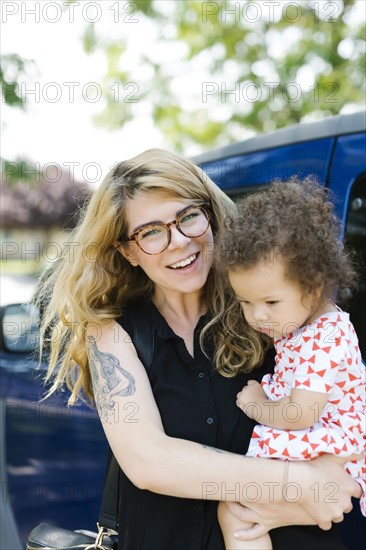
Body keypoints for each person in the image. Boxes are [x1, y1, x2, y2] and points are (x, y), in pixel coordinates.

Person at [37, 150, 361, 550]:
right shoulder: (113, 332)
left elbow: (346, 437)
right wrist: (300, 485)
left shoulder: (271, 311)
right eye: (151, 232)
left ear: (210, 213)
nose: (179, 242)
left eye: (188, 217)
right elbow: (150, 462)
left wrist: (311, 491)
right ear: (127, 251)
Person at [217, 178, 365, 550]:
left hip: (333, 446)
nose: (255, 316)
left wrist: (257, 405)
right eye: (245, 302)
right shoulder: (303, 325)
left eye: (269, 302)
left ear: (313, 287)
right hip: (326, 445)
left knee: (235, 507)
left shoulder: (324, 337)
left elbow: (300, 412)